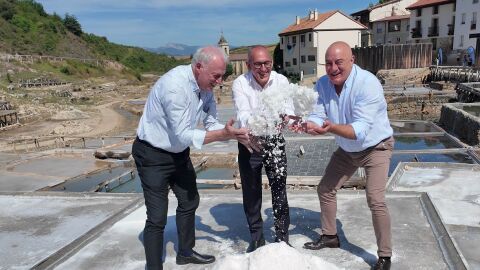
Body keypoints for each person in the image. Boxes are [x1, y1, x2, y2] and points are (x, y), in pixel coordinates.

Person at [132, 46, 251, 270]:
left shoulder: (205, 86)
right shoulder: (174, 87)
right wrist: (223, 135)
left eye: (222, 76)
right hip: (152, 153)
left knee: (189, 200)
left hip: (178, 152)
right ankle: (153, 266)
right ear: (198, 67)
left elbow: (211, 123)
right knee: (157, 216)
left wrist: (233, 133)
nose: (219, 82)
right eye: (216, 76)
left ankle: (185, 252)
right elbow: (183, 134)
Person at [298, 41, 394, 270]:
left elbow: (359, 129)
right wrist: (307, 124)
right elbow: (317, 114)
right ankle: (330, 236)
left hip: (375, 147)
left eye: (339, 62)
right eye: (329, 63)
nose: (333, 68)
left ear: (352, 60)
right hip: (347, 149)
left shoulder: (367, 83)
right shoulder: (322, 84)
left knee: (375, 199)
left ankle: (385, 256)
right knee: (325, 188)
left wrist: (329, 128)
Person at [232, 45, 291, 253]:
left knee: (279, 188)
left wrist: (287, 118)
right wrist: (262, 123)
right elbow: (243, 114)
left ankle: (283, 237)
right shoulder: (240, 83)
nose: (263, 68)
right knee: (251, 191)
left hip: (274, 140)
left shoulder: (281, 81)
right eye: (258, 64)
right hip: (250, 142)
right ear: (249, 65)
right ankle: (257, 238)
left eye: (267, 63)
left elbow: (288, 109)